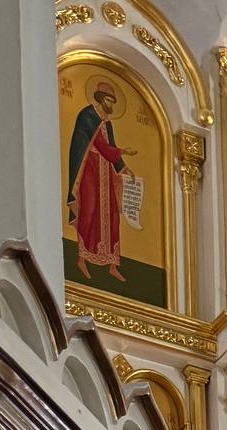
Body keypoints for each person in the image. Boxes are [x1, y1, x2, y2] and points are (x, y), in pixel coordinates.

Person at [66, 81, 129, 283]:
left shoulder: (107, 122)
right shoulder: (87, 116)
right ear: (101, 99)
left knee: (112, 213)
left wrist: (123, 167)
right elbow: (101, 145)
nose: (111, 104)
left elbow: (110, 146)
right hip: (89, 169)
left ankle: (113, 265)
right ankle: (82, 258)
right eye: (109, 100)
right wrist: (121, 152)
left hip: (105, 172)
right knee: (89, 208)